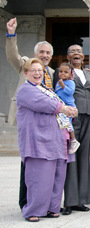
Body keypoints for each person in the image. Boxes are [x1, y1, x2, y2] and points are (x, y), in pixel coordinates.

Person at [17, 58, 78, 222]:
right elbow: (45, 104)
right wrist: (66, 108)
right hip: (38, 141)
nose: (37, 73)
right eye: (33, 70)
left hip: (56, 140)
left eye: (40, 70)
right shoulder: (26, 90)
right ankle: (33, 210)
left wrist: (67, 109)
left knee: (57, 177)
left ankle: (52, 208)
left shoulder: (45, 88)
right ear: (26, 73)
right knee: (39, 178)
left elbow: (56, 101)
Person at [5, 18, 55, 210]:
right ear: (35, 54)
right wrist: (11, 35)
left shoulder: (51, 72)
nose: (44, 55)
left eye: (47, 53)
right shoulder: (26, 65)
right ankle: (25, 201)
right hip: (27, 123)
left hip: (45, 125)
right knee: (28, 163)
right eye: (41, 52)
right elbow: (12, 56)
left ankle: (42, 200)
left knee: (42, 164)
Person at [61, 44, 90, 215]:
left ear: (83, 56)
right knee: (70, 157)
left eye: (79, 51)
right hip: (72, 117)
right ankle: (69, 201)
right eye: (72, 52)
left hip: (89, 116)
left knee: (84, 158)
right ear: (68, 57)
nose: (76, 53)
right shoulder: (62, 72)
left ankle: (81, 200)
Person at [54, 62, 80, 154]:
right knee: (62, 124)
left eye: (65, 72)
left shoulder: (70, 82)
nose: (62, 73)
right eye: (60, 71)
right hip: (61, 107)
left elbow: (70, 92)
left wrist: (63, 86)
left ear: (70, 74)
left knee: (67, 123)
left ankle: (73, 140)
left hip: (69, 107)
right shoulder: (58, 82)